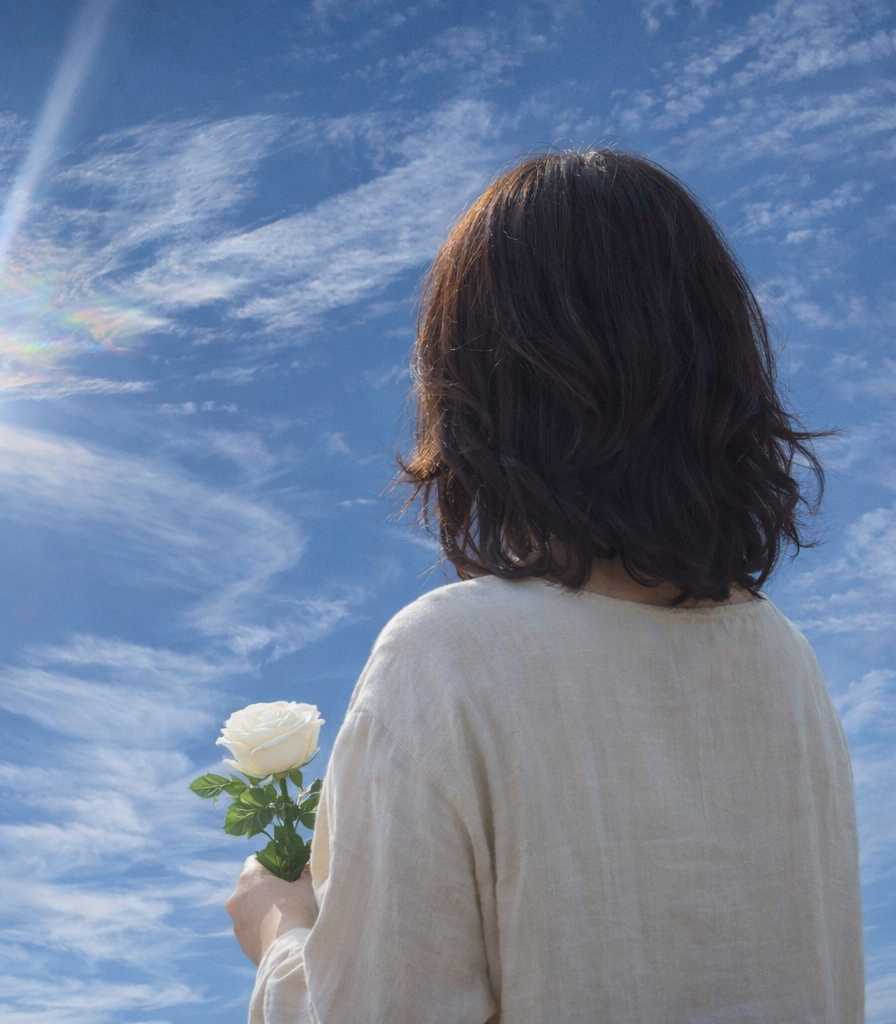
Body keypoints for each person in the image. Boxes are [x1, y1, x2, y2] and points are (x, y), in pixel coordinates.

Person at [224, 148, 863, 1022]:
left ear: (476, 390)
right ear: (725, 369)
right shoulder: (786, 665)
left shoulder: (447, 659)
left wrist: (279, 934)